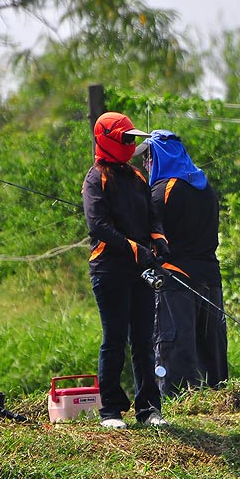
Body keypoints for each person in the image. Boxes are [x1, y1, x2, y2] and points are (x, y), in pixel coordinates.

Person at [82, 111, 170, 428]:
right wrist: (135, 249)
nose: (131, 143)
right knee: (115, 339)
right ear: (107, 139)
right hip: (109, 271)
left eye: (133, 138)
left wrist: (158, 240)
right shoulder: (96, 177)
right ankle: (110, 411)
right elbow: (99, 226)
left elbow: (151, 216)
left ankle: (149, 409)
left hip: (140, 271)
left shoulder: (137, 176)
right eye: (126, 138)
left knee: (144, 342)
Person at [141, 130, 228, 397]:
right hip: (210, 278)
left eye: (147, 159)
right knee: (211, 344)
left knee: (174, 343)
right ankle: (218, 397)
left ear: (157, 158)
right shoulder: (205, 187)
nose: (146, 165)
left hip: (176, 279)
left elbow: (147, 235)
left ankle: (178, 399)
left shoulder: (161, 192)